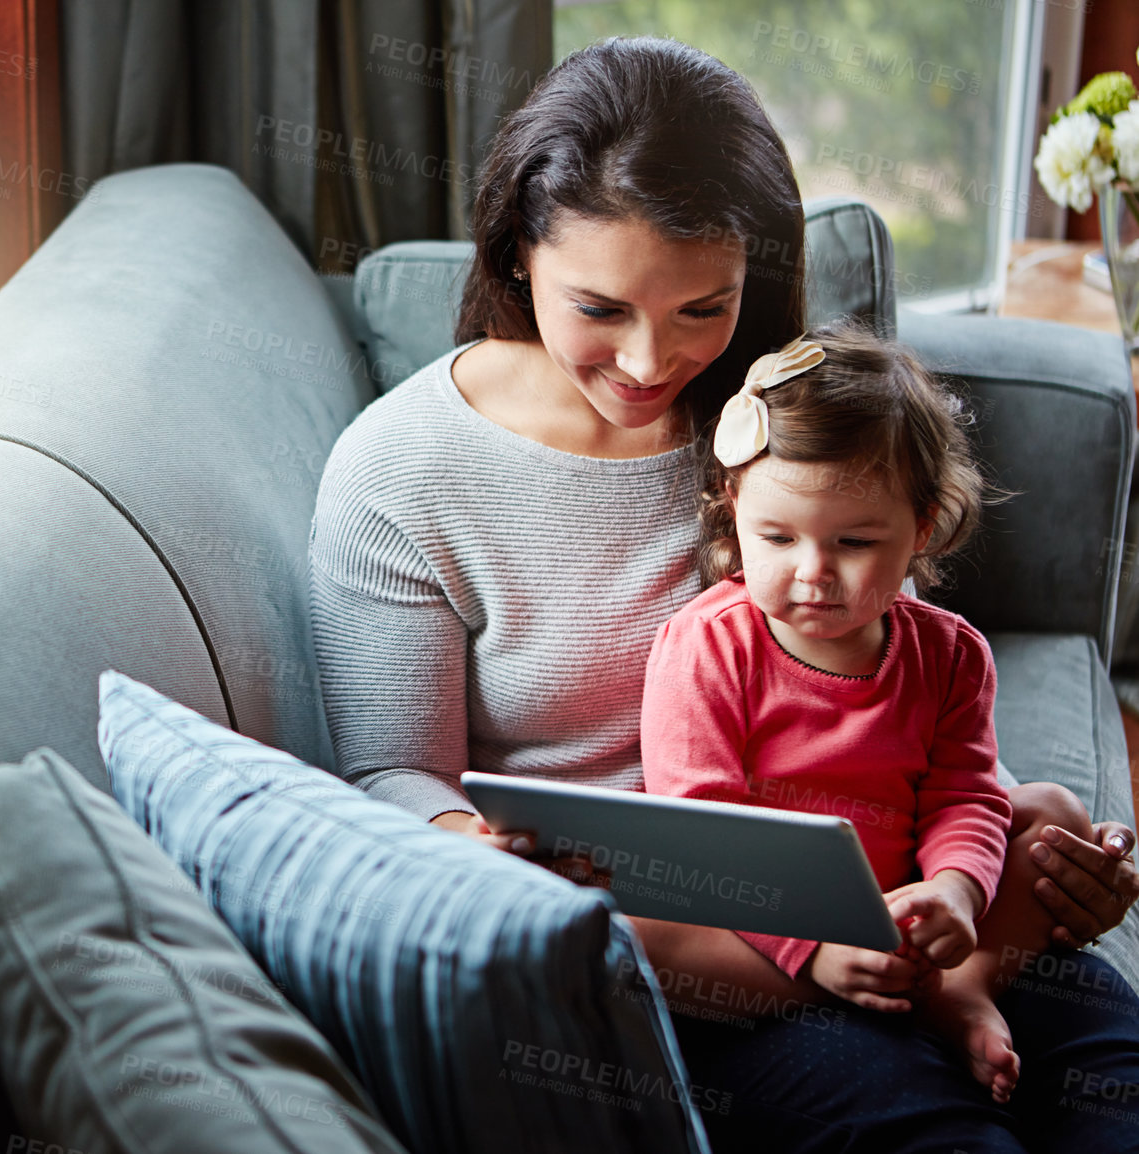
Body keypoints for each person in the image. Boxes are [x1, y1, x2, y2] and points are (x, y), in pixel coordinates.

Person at [307, 36, 1139, 1152]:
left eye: (702, 308)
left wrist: (1016, 863)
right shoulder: (400, 471)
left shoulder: (774, 416)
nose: (652, 363)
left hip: (906, 897)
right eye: (598, 307)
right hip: (684, 947)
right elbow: (384, 769)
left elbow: (892, 672)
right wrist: (470, 840)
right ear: (514, 252)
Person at [640, 323, 1097, 1105]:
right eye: (776, 538)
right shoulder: (707, 646)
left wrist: (955, 890)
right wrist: (812, 947)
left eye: (854, 541)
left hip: (916, 900)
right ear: (733, 507)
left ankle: (961, 988)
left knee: (1055, 816)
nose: (812, 574)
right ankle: (851, 983)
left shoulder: (949, 654)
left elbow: (965, 796)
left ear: (921, 529)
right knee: (638, 920)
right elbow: (705, 831)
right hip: (770, 917)